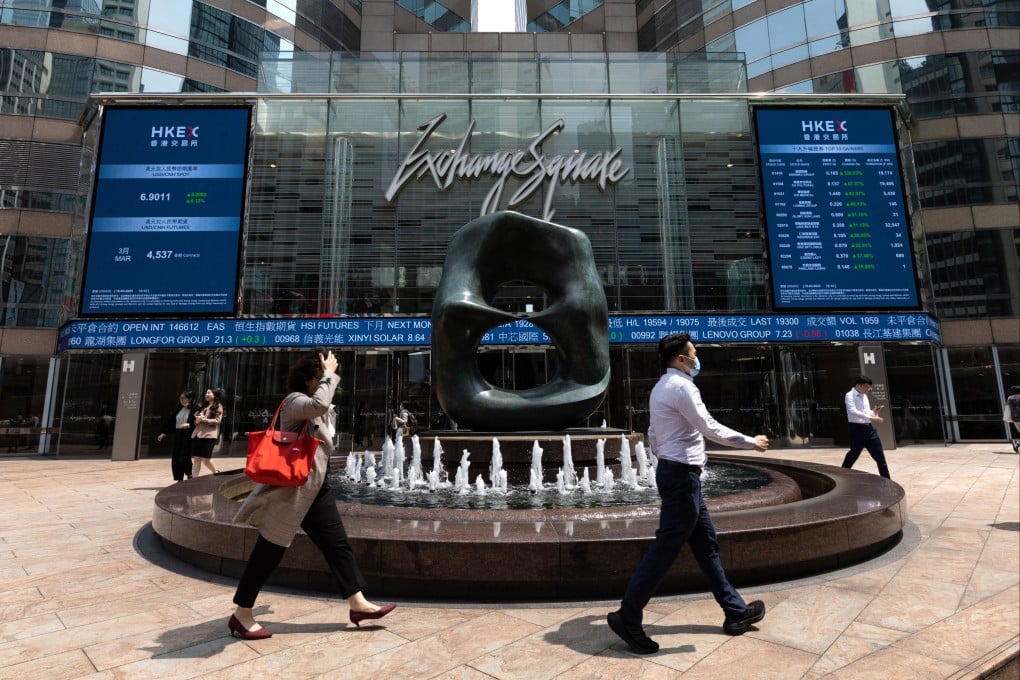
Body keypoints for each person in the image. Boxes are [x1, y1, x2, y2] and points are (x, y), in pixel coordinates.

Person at [607, 333, 770, 655]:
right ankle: (628, 615)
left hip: (679, 474)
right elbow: (709, 427)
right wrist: (752, 441)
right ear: (682, 359)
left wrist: (666, 461)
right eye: (693, 354)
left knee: (706, 545)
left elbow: (654, 434)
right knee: (666, 547)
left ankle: (735, 611)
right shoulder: (682, 387)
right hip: (681, 477)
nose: (697, 359)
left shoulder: (660, 388)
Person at [230, 349, 394, 639]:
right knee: (268, 552)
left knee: (337, 544)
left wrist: (327, 375)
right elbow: (318, 403)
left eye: (326, 378)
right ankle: (241, 614)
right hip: (293, 490)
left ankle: (358, 603)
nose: (326, 382)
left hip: (316, 489)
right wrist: (330, 372)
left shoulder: (317, 405)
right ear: (308, 379)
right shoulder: (295, 401)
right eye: (320, 377)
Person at [841, 376, 891, 479]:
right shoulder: (849, 395)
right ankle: (842, 474)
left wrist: (874, 412)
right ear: (858, 385)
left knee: (880, 456)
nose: (867, 390)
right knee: (854, 454)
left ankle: (887, 480)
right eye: (866, 387)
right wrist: (872, 418)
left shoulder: (864, 395)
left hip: (869, 429)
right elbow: (852, 411)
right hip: (856, 429)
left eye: (869, 388)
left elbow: (866, 412)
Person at [157, 390, 197, 482]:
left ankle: (189, 474)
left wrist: (189, 425)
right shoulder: (179, 408)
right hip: (178, 434)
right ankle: (179, 478)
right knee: (176, 457)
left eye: (184, 398)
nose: (181, 400)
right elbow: (172, 422)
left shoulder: (195, 408)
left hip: (188, 435)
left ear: (190, 398)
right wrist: (164, 433)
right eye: (180, 398)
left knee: (184, 456)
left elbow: (198, 423)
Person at [191, 388, 224, 476]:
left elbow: (217, 420)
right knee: (196, 459)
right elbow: (196, 423)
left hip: (209, 436)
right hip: (197, 435)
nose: (206, 394)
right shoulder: (204, 407)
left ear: (215, 395)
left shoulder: (218, 406)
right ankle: (194, 481)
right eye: (206, 393)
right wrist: (197, 420)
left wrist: (204, 420)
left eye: (209, 392)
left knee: (206, 459)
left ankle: (216, 473)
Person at [1003, 385, 1020, 453]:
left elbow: (1007, 408)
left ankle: (1017, 443)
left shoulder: (1010, 398)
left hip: (1015, 419)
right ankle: (1016, 443)